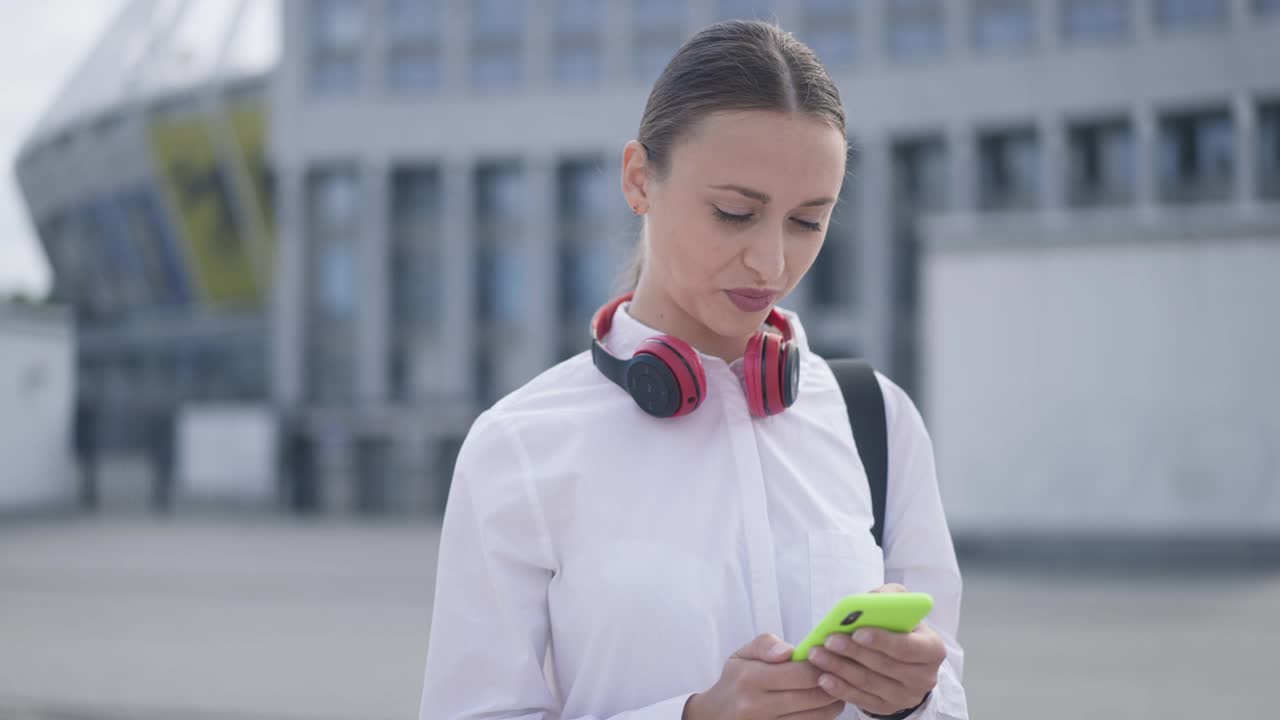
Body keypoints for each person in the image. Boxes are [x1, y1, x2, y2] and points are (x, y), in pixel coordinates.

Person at [419, 20, 967, 720]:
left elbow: (949, 698)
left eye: (807, 221)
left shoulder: (876, 418)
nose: (772, 264)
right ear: (639, 179)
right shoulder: (520, 446)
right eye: (735, 213)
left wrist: (911, 702)